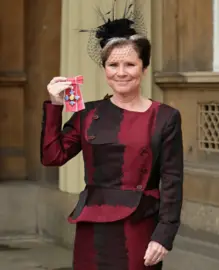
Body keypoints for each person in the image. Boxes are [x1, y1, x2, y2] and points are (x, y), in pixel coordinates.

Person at [40, 6, 183, 270]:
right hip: (92, 227)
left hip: (139, 225)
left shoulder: (165, 117)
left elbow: (172, 181)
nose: (121, 72)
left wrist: (164, 236)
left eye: (130, 64)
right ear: (104, 68)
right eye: (113, 65)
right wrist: (54, 106)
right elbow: (52, 156)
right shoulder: (88, 114)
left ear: (144, 67)